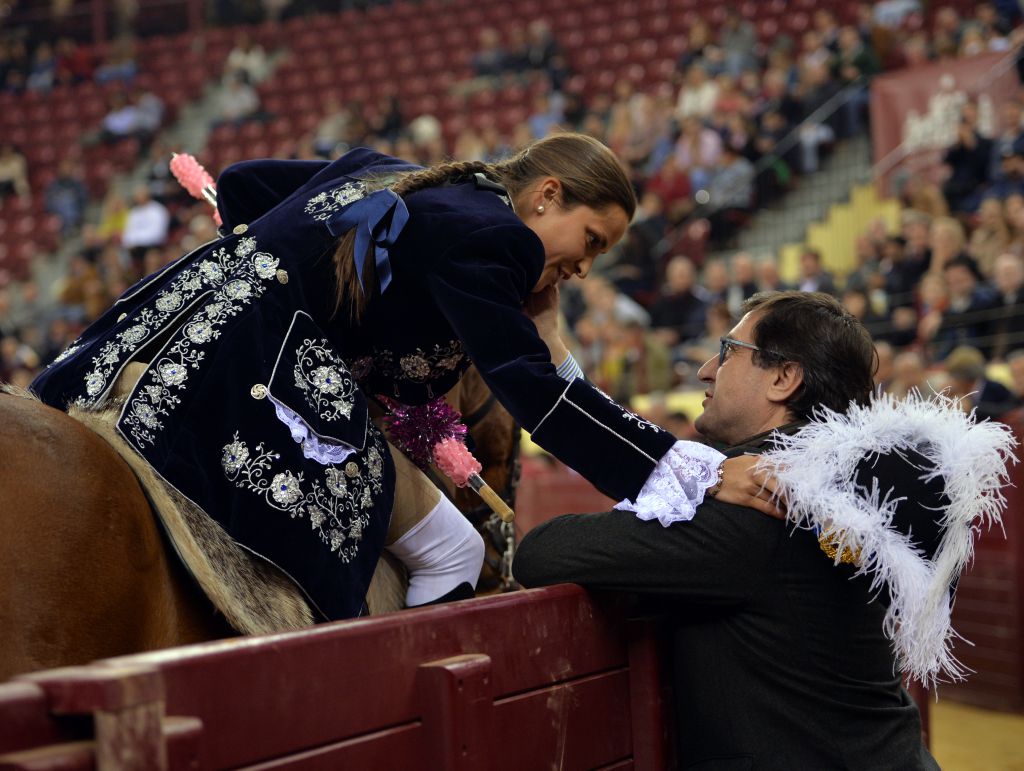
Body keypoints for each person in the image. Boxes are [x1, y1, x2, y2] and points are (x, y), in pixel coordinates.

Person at [30, 134, 769, 625]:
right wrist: (679, 469)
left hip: (179, 310)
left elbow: (245, 184)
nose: (581, 268)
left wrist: (294, 265)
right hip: (262, 359)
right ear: (546, 195)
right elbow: (530, 387)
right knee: (454, 551)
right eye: (590, 242)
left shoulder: (401, 172)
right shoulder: (499, 238)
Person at [515, 291, 1013, 768]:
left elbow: (543, 552)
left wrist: (700, 481)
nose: (707, 370)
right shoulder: (835, 481)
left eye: (729, 351)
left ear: (783, 378)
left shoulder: (761, 499)